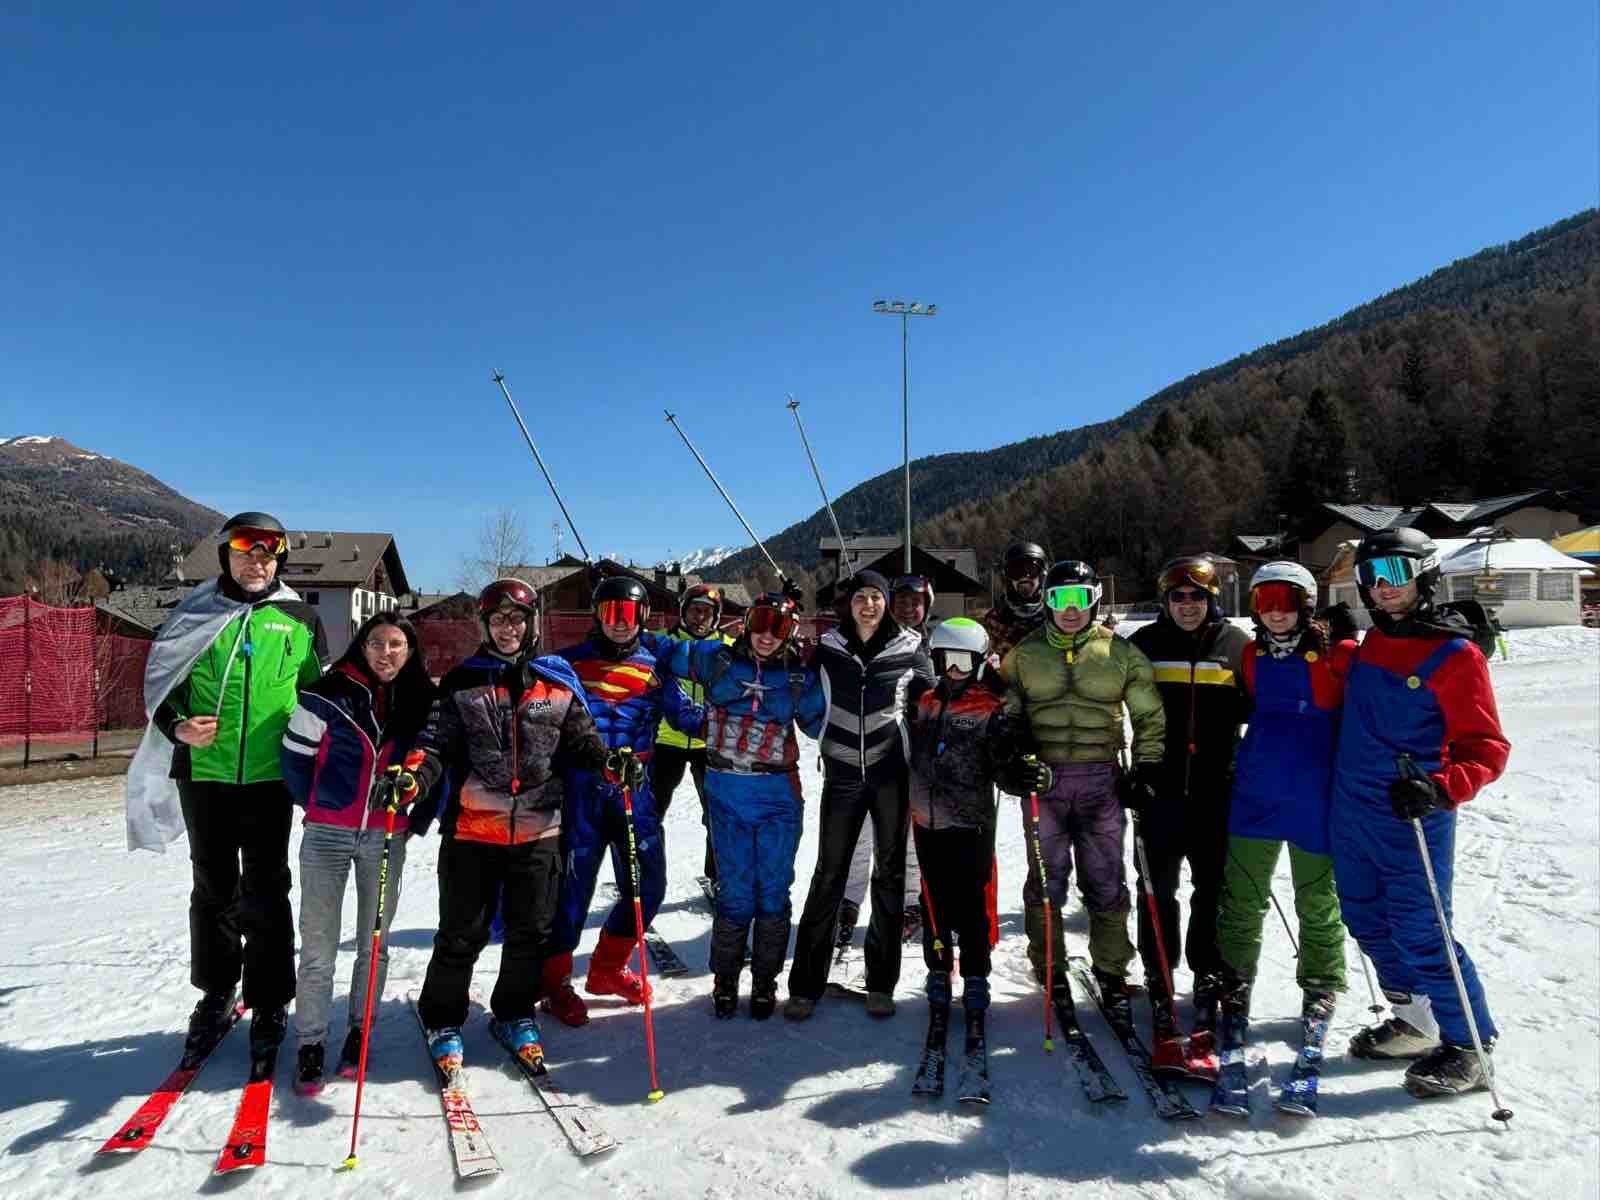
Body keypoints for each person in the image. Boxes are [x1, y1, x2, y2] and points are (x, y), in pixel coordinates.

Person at [126, 512, 325, 1076]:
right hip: (205, 776)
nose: (255, 563)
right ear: (227, 557)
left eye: (267, 554)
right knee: (212, 887)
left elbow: (315, 691)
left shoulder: (299, 617)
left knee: (268, 887)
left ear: (278, 559)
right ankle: (216, 993)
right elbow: (160, 687)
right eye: (244, 553)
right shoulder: (193, 613)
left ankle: (268, 1001)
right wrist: (178, 727)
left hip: (269, 778)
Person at [406, 579, 612, 1073]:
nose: (508, 629)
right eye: (498, 621)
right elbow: (435, 742)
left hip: (540, 829)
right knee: (462, 932)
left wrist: (612, 763)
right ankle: (442, 1016)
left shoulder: (556, 681)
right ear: (484, 625)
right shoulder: (461, 680)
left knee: (531, 932)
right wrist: (412, 775)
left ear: (531, 624)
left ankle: (514, 1011)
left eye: (517, 620)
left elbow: (585, 742)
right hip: (475, 830)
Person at [1332, 528, 1510, 1097]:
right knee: (1364, 918)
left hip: (1410, 812)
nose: (1382, 590)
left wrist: (1442, 788)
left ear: (1425, 576)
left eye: (1395, 575)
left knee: (1421, 929)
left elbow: (1486, 748)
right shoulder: (1368, 645)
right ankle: (1415, 1021)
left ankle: (1470, 1045)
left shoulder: (1455, 655)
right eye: (1371, 578)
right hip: (1352, 808)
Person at [280, 611, 439, 1093]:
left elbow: (435, 758)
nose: (386, 653)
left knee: (374, 943)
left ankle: (359, 1033)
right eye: (376, 643)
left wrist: (414, 815)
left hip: (385, 833)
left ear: (409, 650)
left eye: (396, 644)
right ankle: (310, 1040)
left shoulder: (423, 700)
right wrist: (319, 804)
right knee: (319, 944)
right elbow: (293, 758)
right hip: (329, 833)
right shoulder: (328, 695)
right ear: (361, 647)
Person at [1000, 559, 1164, 1018]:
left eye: (1079, 599)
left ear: (1094, 599)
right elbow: (1006, 717)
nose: (1069, 610)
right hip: (1044, 782)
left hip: (1100, 782)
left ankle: (1111, 969)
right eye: (1058, 599)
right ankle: (1047, 962)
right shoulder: (1026, 654)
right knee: (1046, 878)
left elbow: (1149, 715)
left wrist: (1147, 768)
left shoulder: (1120, 653)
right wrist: (1012, 763)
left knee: (1105, 877)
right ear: (1047, 602)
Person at [541, 575, 703, 1027]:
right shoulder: (566, 664)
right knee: (573, 892)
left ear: (644, 618)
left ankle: (607, 969)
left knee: (648, 889)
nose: (618, 623)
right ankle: (553, 983)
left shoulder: (656, 666)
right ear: (596, 615)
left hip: (638, 791)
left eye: (628, 614)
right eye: (610, 613)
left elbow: (687, 718)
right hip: (582, 792)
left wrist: (735, 710)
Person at [657, 591, 826, 1018]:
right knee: (733, 893)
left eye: (780, 627)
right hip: (726, 792)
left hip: (776, 798)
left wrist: (827, 669)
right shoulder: (716, 659)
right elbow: (656, 652)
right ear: (747, 621)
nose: (768, 635)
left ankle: (766, 982)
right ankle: (725, 980)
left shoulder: (796, 677)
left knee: (771, 893)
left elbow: (825, 725)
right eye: (762, 621)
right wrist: (680, 710)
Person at [1214, 561, 1355, 1070]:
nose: (1275, 612)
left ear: (1307, 603)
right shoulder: (1251, 656)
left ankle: (1320, 982)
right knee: (1243, 895)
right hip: (1257, 790)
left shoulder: (1339, 655)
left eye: (1286, 600)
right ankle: (1236, 977)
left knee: (1317, 898)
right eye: (1264, 601)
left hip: (1313, 792)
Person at [786, 569, 933, 1020]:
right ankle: (805, 985)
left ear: (886, 603)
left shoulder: (910, 646)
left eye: (876, 597)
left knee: (889, 876)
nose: (868, 605)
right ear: (848, 605)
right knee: (829, 874)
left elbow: (931, 700)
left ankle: (880, 983)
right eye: (860, 598)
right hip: (843, 775)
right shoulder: (829, 647)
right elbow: (791, 678)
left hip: (892, 775)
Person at [1126, 555, 1252, 1063]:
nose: (1187, 606)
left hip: (1215, 790)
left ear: (1211, 599)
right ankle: (1160, 975)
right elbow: (1105, 700)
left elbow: (1269, 704)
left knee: (1211, 888)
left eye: (1196, 597)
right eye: (1177, 598)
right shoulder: (1143, 647)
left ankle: (1207, 972)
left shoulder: (1238, 647)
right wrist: (1131, 771)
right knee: (1156, 888)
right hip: (1160, 789)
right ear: (1165, 601)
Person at [906, 618, 1030, 1073]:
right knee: (933, 903)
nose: (954, 670)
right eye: (945, 661)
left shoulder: (989, 706)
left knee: (973, 905)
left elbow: (1005, 766)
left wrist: (1021, 771)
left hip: (970, 824)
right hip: (926, 821)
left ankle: (975, 974)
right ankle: (939, 969)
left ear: (979, 663)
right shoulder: (923, 701)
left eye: (964, 661)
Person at [837, 573, 932, 951]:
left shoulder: (929, 644)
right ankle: (849, 901)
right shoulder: (877, 636)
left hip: (911, 756)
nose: (908, 609)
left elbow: (933, 693)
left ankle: (911, 904)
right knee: (858, 833)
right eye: (902, 601)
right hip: (865, 754)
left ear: (927, 606)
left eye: (916, 602)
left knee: (906, 837)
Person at [651, 583, 732, 884]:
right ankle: (645, 876)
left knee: (717, 814)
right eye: (694, 611)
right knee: (650, 812)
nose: (700, 618)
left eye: (707, 612)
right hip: (665, 741)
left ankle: (717, 876)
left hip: (709, 743)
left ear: (716, 616)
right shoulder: (663, 642)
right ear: (683, 613)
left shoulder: (729, 646)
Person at [981, 540, 1049, 661]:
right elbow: (983, 659)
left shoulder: (1054, 615)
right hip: (1009, 677)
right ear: (1007, 578)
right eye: (1016, 571)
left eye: (1031, 570)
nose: (1024, 576)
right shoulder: (995, 620)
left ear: (1042, 575)